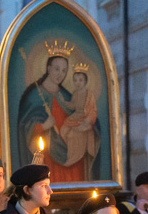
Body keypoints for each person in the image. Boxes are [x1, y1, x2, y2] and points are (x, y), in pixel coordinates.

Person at [17, 47, 100, 182]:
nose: (60, 74)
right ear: (48, 68)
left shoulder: (67, 96)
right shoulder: (34, 96)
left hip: (72, 155)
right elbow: (24, 126)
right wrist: (43, 126)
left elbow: (85, 117)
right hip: (48, 156)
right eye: (57, 69)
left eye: (64, 70)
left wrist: (85, 127)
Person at [59, 64, 98, 169]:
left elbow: (93, 110)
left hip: (84, 118)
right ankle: (69, 152)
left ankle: (72, 157)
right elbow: (73, 105)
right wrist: (64, 102)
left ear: (85, 81)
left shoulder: (89, 94)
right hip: (75, 116)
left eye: (80, 80)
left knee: (72, 135)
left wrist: (87, 121)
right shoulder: (75, 93)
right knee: (63, 130)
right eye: (75, 80)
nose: (78, 83)